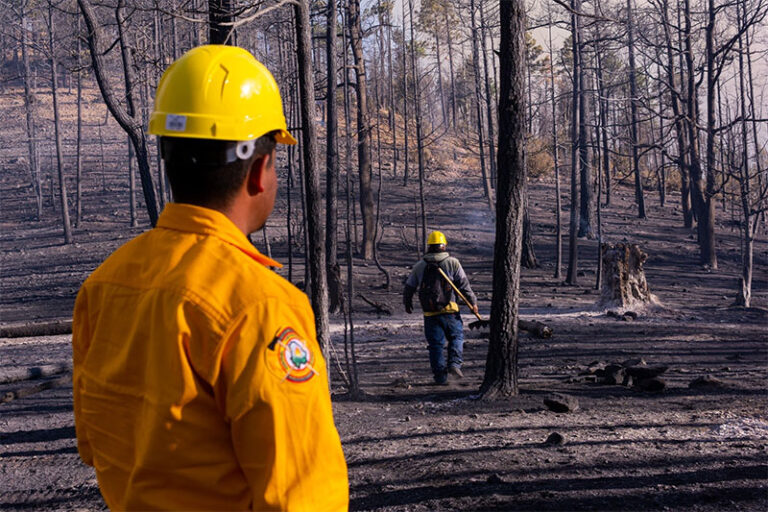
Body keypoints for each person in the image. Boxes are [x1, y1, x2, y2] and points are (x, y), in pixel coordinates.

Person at [72, 45, 348, 511]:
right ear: (260, 172)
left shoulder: (102, 287)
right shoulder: (259, 307)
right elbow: (304, 497)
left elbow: (93, 444)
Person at [403, 231, 478, 385]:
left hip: (430, 312)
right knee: (456, 337)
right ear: (444, 246)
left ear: (429, 246)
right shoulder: (453, 263)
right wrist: (473, 303)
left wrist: (407, 303)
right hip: (450, 310)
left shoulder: (419, 266)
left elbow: (409, 287)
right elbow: (464, 286)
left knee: (435, 345)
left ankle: (440, 377)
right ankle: (454, 365)